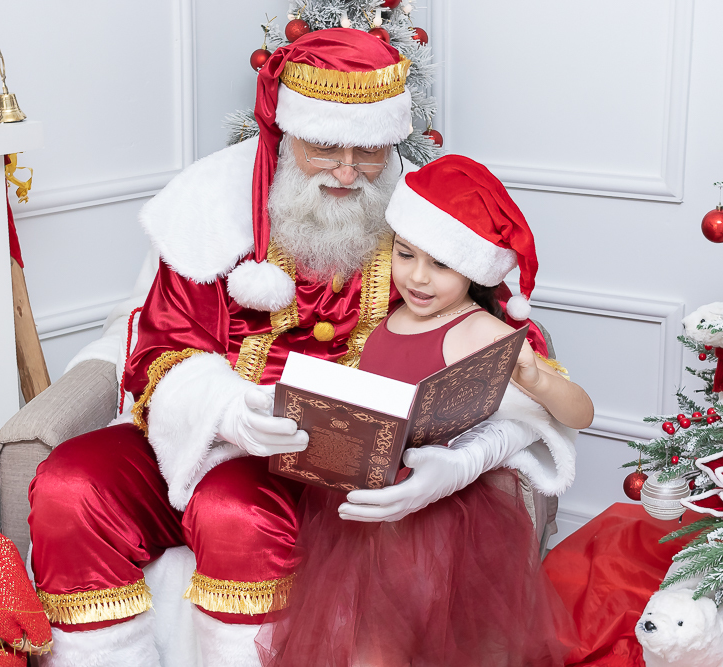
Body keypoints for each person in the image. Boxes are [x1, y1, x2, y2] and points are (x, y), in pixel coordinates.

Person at [29, 29, 577, 667]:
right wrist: (230, 410)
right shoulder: (213, 208)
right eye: (325, 148)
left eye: (368, 152)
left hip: (313, 470)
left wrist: (457, 460)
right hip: (196, 431)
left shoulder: (418, 226)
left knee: (234, 509)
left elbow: (516, 363)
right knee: (68, 485)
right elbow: (157, 351)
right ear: (289, 133)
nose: (348, 173)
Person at [255, 155, 591, 666]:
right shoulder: (390, 319)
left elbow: (578, 414)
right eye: (406, 255)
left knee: (439, 638)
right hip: (367, 511)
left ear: (474, 271)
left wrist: (536, 378)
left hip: (445, 520)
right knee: (367, 636)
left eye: (440, 265)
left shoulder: (478, 329)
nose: (417, 278)